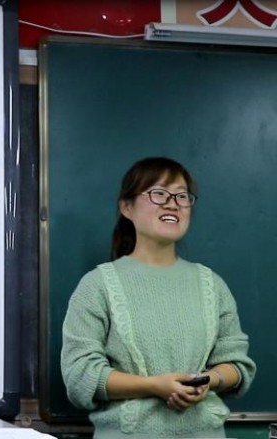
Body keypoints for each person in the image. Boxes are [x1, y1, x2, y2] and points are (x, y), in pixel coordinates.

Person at [60, 157, 256, 438]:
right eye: (159, 193)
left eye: (181, 196)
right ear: (126, 207)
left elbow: (236, 364)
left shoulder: (212, 284)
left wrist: (209, 381)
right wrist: (153, 385)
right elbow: (81, 375)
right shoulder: (97, 285)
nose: (172, 203)